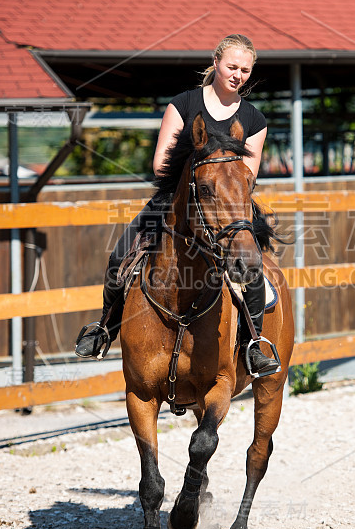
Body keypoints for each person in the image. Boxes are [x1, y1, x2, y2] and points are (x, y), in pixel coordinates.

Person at [75, 33, 280, 377]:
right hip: (176, 201)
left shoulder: (254, 119)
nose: (238, 74)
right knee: (119, 256)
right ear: (216, 62)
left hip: (230, 206)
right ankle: (105, 328)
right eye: (232, 66)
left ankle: (253, 343)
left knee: (253, 267)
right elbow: (160, 164)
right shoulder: (182, 104)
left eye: (245, 69)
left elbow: (249, 173)